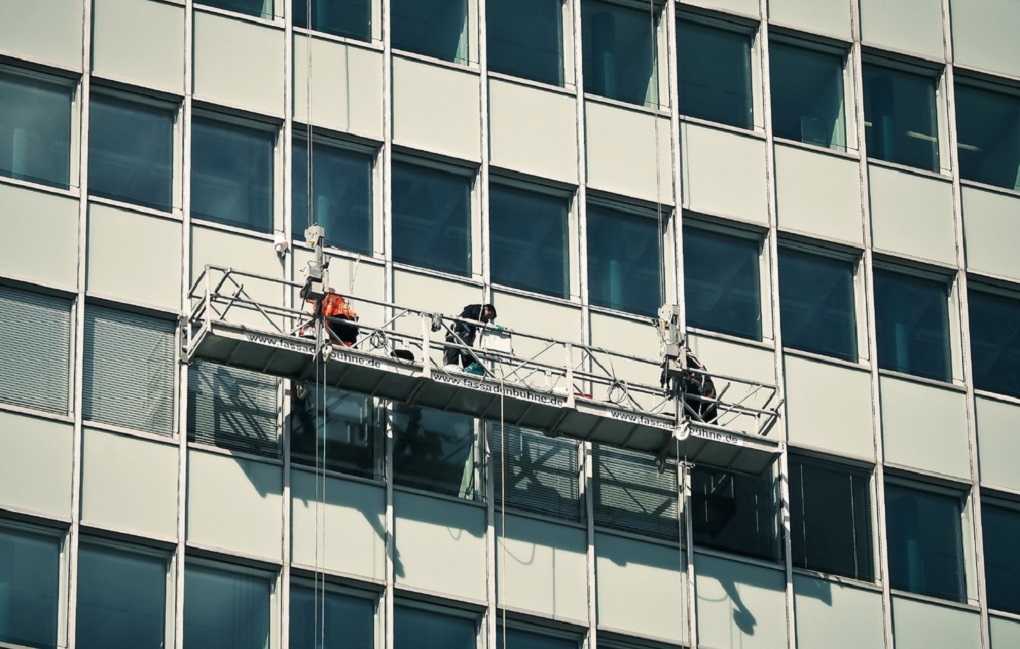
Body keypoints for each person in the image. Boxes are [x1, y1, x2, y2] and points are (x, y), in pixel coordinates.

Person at [443, 303, 497, 372]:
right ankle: (469, 368)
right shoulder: (478, 308)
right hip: (461, 333)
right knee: (465, 352)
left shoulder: (469, 312)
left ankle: (466, 369)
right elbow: (475, 313)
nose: (487, 318)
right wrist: (485, 321)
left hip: (458, 334)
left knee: (459, 351)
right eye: (488, 315)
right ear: (486, 308)